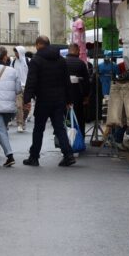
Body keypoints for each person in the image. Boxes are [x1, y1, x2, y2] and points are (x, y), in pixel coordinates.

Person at [23, 36, 76, 167]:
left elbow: (31, 81)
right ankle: (68, 155)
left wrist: (27, 99)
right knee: (59, 128)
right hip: (59, 99)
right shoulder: (61, 60)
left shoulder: (36, 60)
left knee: (38, 129)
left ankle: (34, 157)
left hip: (43, 99)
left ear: (39, 45)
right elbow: (66, 82)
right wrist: (69, 99)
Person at [65, 44, 90, 138]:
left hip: (65, 96)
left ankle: (66, 139)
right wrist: (86, 96)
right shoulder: (81, 63)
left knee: (66, 118)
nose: (79, 53)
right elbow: (87, 82)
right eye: (78, 51)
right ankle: (79, 138)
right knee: (79, 117)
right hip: (78, 95)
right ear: (75, 51)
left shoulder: (63, 62)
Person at [12, 46, 30, 133]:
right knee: (19, 106)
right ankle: (19, 124)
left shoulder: (28, 61)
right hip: (17, 87)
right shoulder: (13, 62)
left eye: (17, 52)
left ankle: (23, 121)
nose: (16, 53)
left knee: (27, 107)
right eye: (15, 52)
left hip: (27, 87)